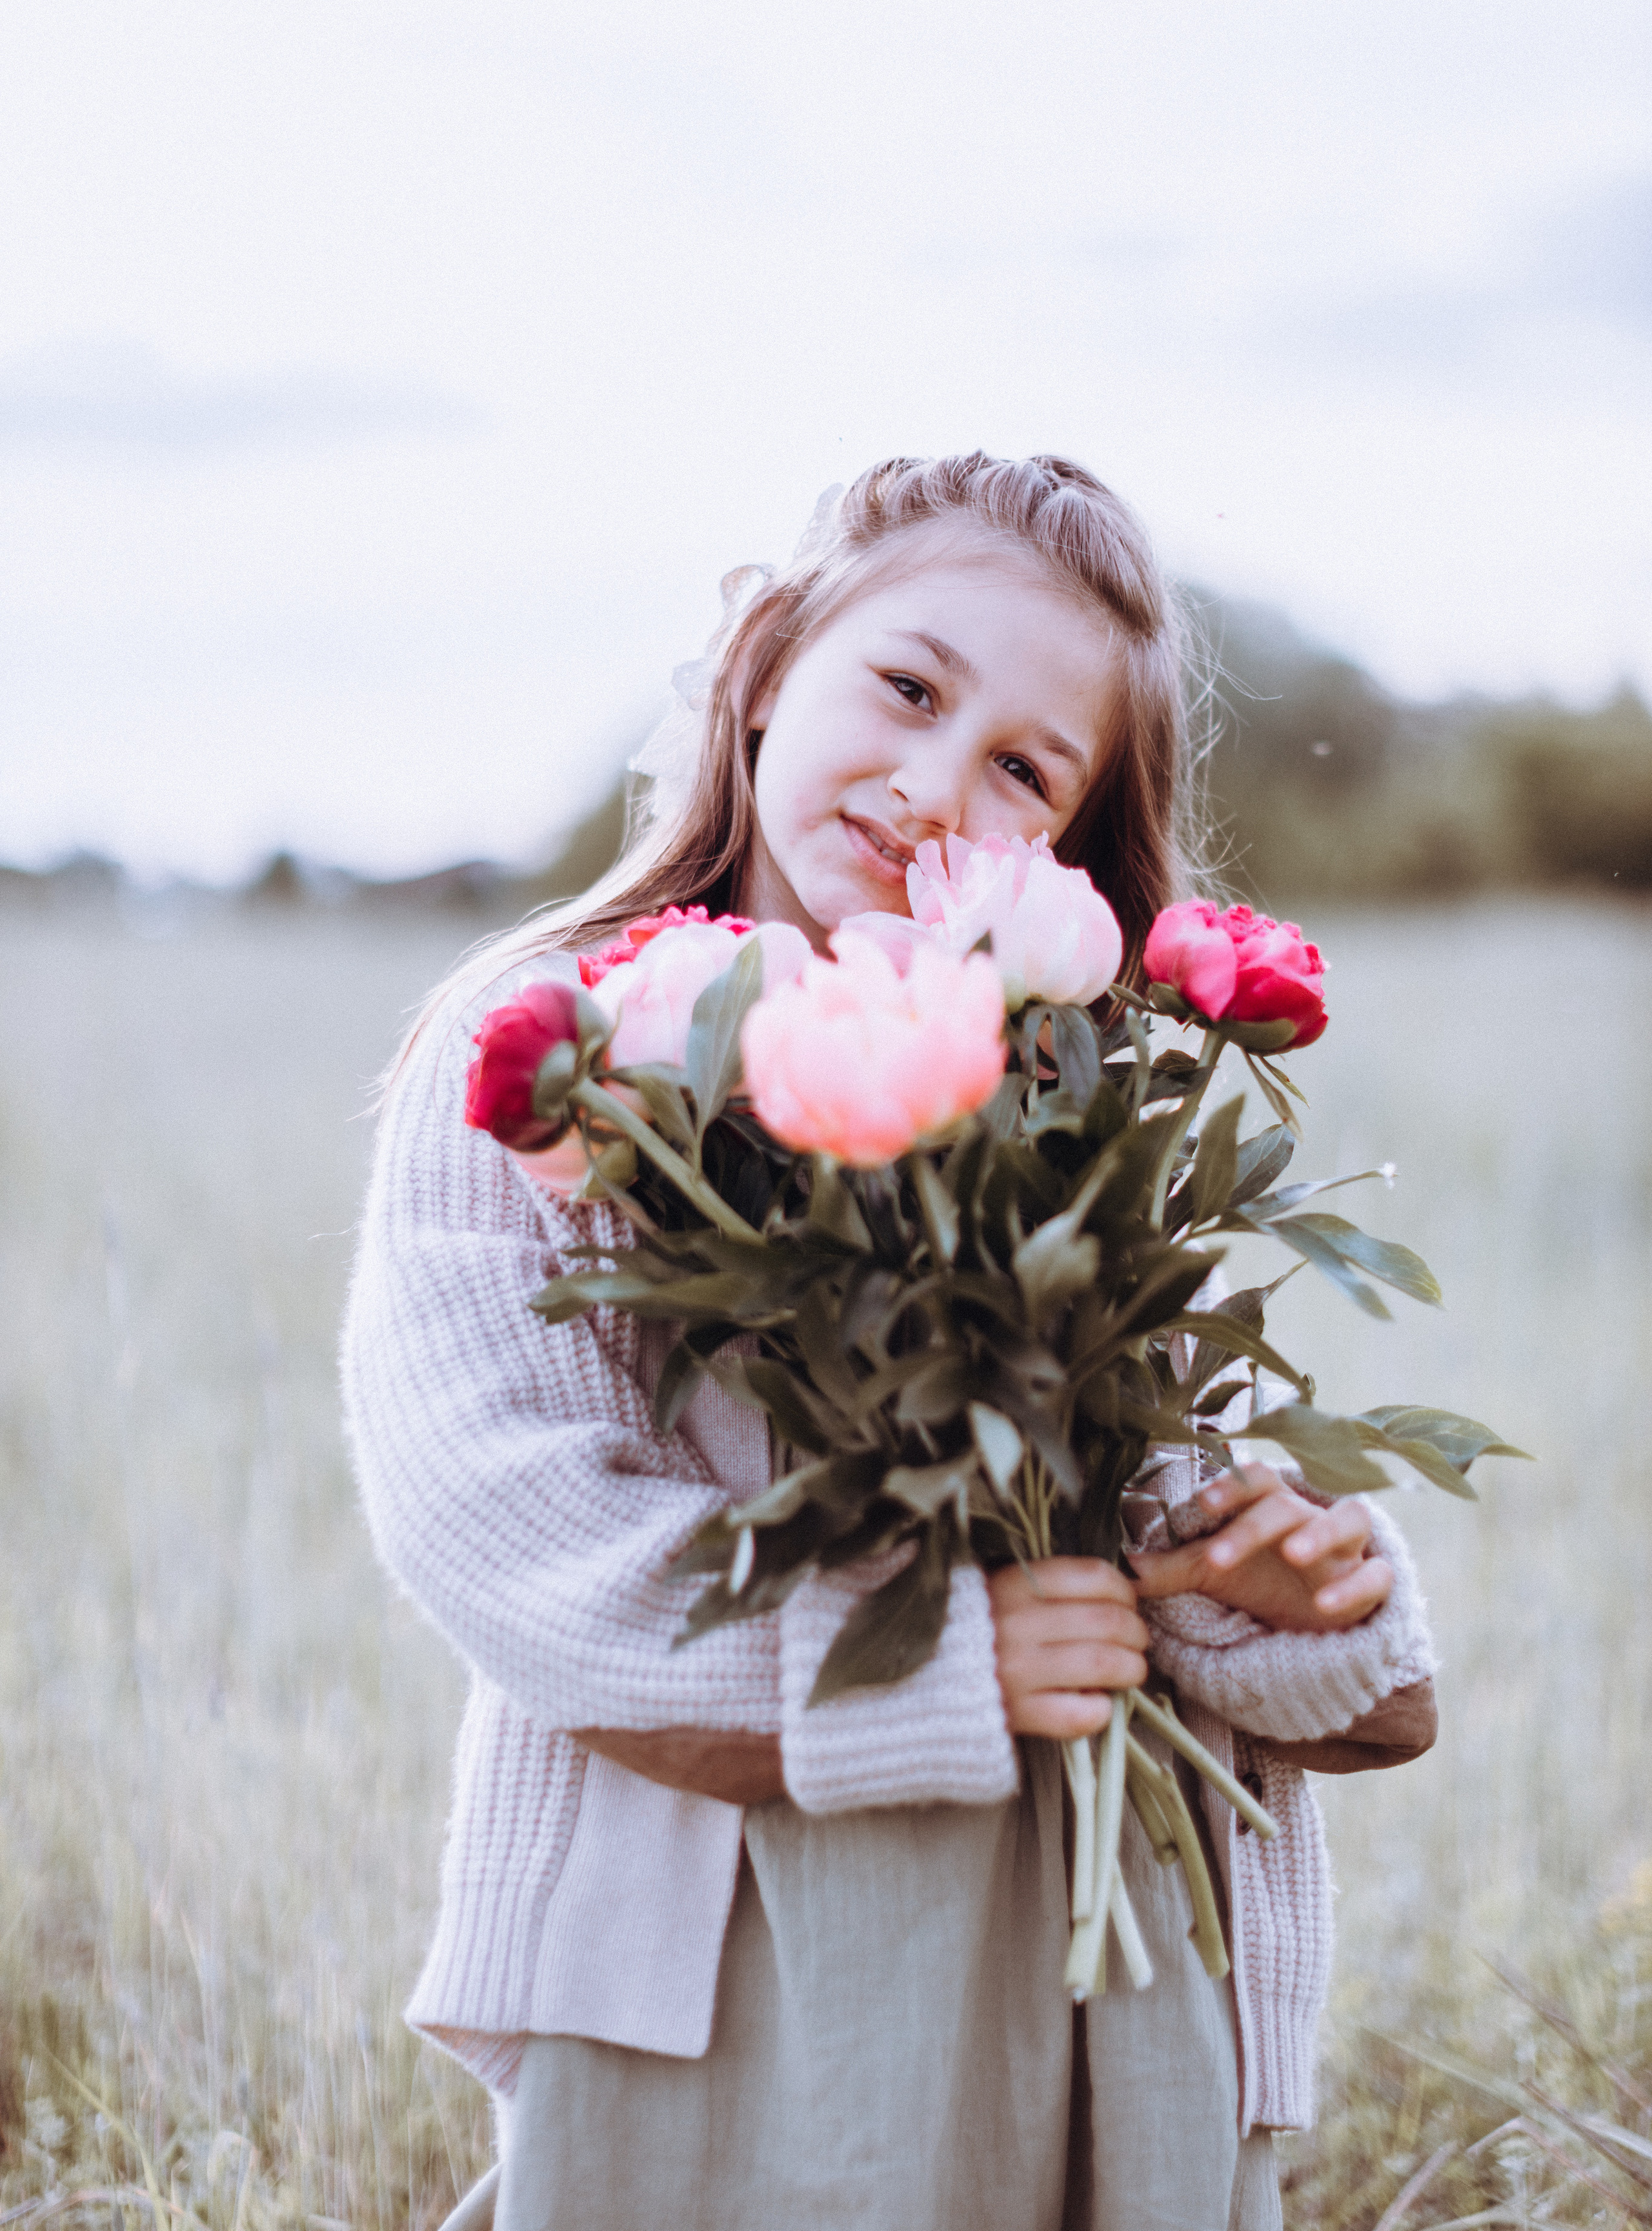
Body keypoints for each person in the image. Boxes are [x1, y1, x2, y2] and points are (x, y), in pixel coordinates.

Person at [342, 454, 1438, 2231]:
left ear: (1071, 847)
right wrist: (938, 1667)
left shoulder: (1086, 1088)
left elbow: (1161, 1483)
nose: (938, 784)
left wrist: (1283, 1582)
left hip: (1103, 1942)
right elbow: (502, 1519)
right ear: (770, 664)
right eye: (909, 689)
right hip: (718, 1942)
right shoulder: (551, 1047)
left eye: (1022, 767)